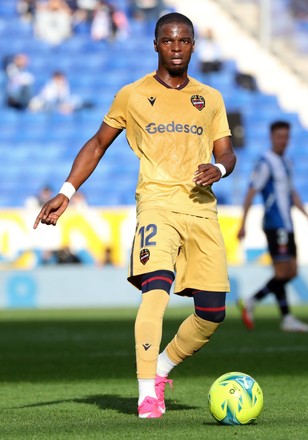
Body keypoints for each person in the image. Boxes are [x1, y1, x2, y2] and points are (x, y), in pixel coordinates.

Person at [33, 12, 236, 418]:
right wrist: (66, 191)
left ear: (193, 45)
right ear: (156, 45)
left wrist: (222, 168)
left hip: (201, 209)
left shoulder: (210, 98)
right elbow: (97, 143)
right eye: (168, 40)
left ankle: (162, 367)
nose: (176, 47)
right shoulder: (133, 94)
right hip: (157, 206)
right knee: (155, 291)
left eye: (184, 41)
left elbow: (226, 150)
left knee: (212, 312)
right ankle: (147, 394)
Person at [237, 120, 308, 332]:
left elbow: (292, 193)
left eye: (286, 137)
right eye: (279, 136)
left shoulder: (287, 162)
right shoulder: (265, 162)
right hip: (274, 223)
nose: (283, 141)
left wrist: (307, 217)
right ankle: (255, 302)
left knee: (291, 272)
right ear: (272, 137)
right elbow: (251, 191)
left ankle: (282, 315)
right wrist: (242, 223)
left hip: (288, 225)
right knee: (283, 272)